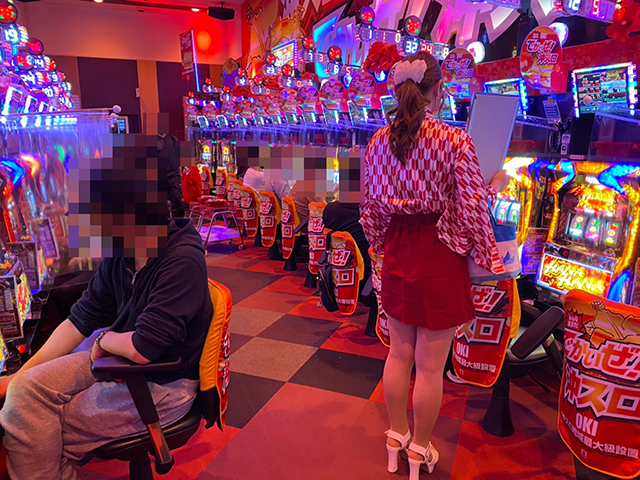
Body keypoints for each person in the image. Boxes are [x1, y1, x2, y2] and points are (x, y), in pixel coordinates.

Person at [0, 135, 213, 480]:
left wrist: (103, 340)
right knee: (24, 394)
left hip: (162, 382)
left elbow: (143, 348)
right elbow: (81, 318)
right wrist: (19, 376)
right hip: (118, 359)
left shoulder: (182, 260)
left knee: (37, 423)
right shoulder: (123, 249)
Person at [360, 51, 507, 479]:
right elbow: (473, 205)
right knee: (429, 366)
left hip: (398, 248)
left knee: (397, 355)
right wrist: (489, 252)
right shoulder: (454, 140)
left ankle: (396, 437)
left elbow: (370, 209)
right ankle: (420, 450)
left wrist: (379, 247)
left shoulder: (376, 142)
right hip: (440, 250)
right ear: (438, 89)